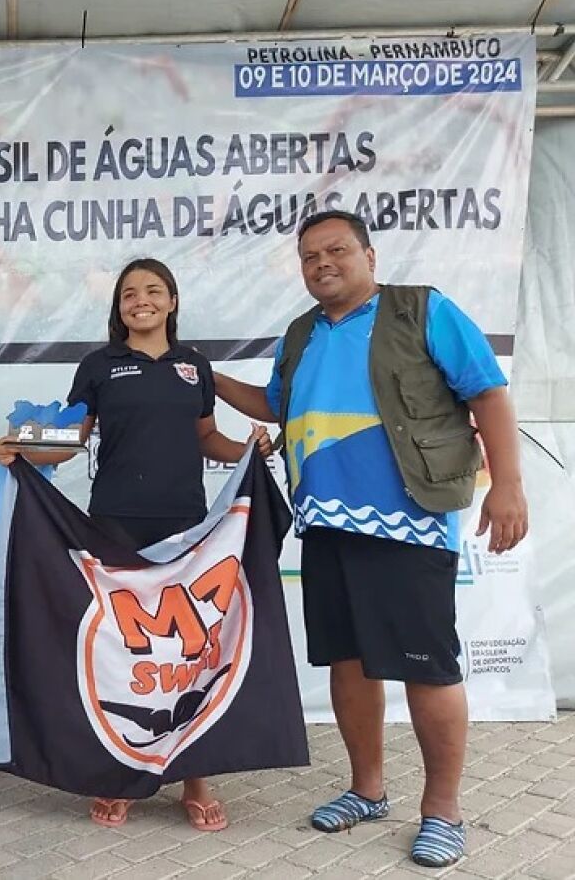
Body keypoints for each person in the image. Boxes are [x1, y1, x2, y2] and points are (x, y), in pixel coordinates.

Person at [213, 210, 528, 868]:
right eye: (309, 256)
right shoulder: (299, 335)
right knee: (348, 665)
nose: (322, 263)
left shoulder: (422, 312)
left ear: (370, 255)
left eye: (336, 250)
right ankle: (367, 790)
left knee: (427, 669)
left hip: (408, 523)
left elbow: (488, 394)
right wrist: (201, 375)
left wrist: (508, 486)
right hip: (325, 524)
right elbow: (275, 404)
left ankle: (443, 809)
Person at [0, 257, 271, 831]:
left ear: (172, 301)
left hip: (191, 524)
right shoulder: (98, 365)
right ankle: (119, 778)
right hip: (116, 520)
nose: (139, 300)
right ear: (118, 308)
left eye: (152, 290)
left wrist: (249, 453)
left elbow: (207, 439)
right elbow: (71, 440)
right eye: (128, 294)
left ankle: (196, 779)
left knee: (193, 649)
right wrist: (24, 452)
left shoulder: (195, 366)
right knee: (125, 649)